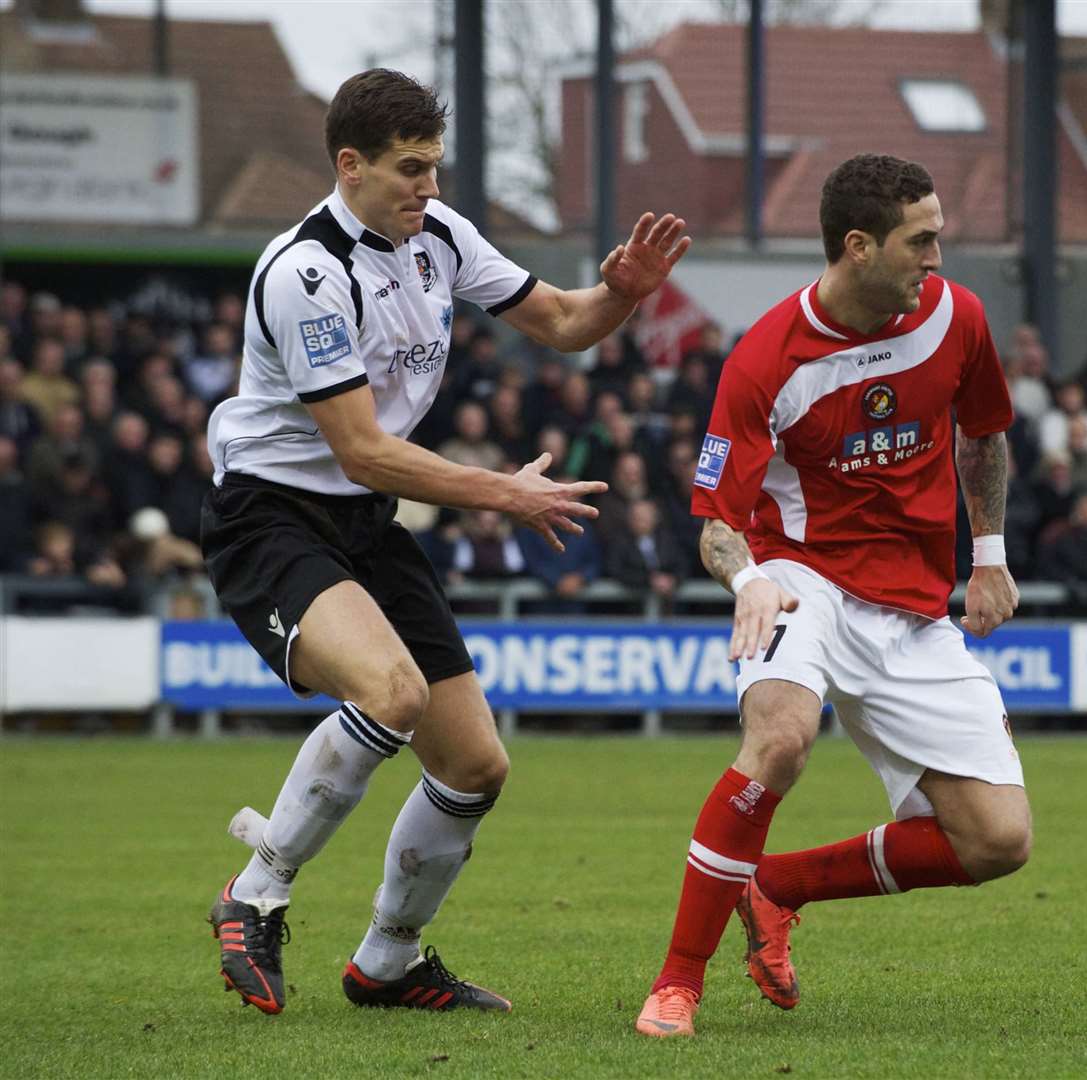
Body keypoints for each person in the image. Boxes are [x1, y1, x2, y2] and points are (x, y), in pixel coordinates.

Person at [200, 69, 688, 1016]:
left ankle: (388, 959)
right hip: (271, 514)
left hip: (363, 518)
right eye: (410, 170)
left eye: (435, 168)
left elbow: (561, 322)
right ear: (350, 166)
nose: (429, 188)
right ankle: (254, 891)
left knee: (474, 765)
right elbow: (364, 449)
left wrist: (621, 294)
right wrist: (502, 493)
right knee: (392, 692)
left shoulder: (441, 236)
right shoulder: (307, 273)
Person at [634, 154, 1026, 1038]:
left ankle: (776, 886)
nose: (936, 256)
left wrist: (991, 556)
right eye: (920, 239)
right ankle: (675, 985)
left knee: (998, 840)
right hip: (802, 580)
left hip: (915, 606)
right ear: (859, 247)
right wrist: (748, 580)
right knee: (778, 740)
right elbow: (716, 524)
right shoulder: (765, 361)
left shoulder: (956, 316)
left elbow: (984, 432)